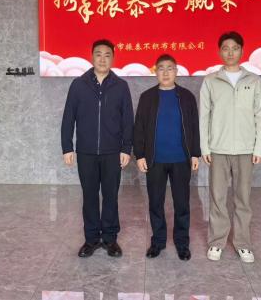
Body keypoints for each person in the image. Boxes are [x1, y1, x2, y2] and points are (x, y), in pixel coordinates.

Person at [61, 39, 134, 258]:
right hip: (86, 152)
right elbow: (68, 117)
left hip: (112, 152)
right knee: (90, 196)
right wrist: (67, 147)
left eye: (107, 55)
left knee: (111, 196)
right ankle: (91, 239)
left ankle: (110, 239)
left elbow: (127, 120)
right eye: (98, 54)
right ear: (92, 57)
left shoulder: (121, 86)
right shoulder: (78, 85)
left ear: (113, 58)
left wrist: (126, 148)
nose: (102, 59)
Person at [199, 31, 261, 263]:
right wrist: (205, 147)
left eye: (235, 48)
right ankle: (217, 242)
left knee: (243, 198)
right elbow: (203, 117)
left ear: (242, 51)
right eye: (226, 48)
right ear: (219, 51)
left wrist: (258, 149)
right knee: (217, 197)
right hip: (218, 149)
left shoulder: (254, 81)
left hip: (246, 149)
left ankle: (243, 244)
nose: (230, 52)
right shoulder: (210, 81)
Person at [134, 54, 200, 261]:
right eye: (161, 68)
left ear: (176, 71)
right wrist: (140, 155)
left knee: (182, 203)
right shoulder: (147, 97)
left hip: (181, 159)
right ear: (155, 71)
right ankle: (158, 241)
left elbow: (194, 127)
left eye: (169, 68)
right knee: (156, 202)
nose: (165, 72)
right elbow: (139, 127)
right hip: (155, 160)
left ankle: (182, 243)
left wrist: (195, 153)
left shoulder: (187, 96)